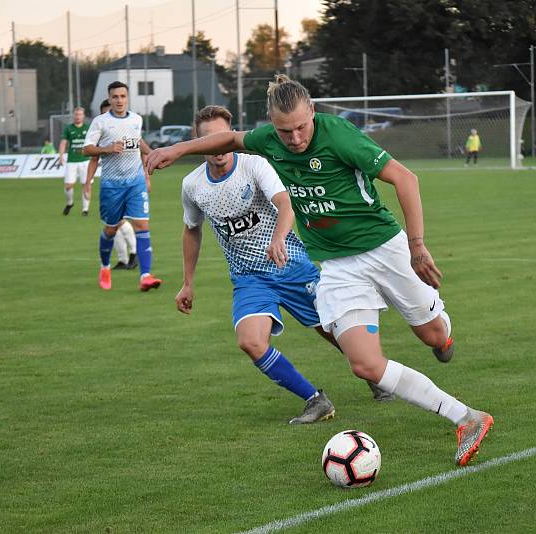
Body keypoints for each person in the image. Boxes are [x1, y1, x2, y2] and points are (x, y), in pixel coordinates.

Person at [148, 75, 493, 467]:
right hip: (338, 266)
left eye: (300, 127)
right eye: (284, 131)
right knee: (364, 364)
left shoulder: (340, 136)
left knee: (432, 335)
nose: (294, 138)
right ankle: (467, 418)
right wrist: (177, 149)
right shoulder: (268, 140)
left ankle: (440, 331)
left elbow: (404, 178)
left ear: (312, 111)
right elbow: (229, 139)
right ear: (271, 124)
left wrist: (416, 246)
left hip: (384, 249)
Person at [176, 105, 355, 424]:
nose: (217, 147)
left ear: (231, 136)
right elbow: (192, 229)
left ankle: (375, 375)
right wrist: (187, 282)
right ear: (198, 141)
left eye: (222, 138)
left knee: (337, 333)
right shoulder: (193, 185)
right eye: (208, 140)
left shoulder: (254, 164)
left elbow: (285, 203)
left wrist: (279, 238)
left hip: (292, 265)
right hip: (249, 279)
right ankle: (315, 400)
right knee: (250, 341)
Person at [83, 81, 162, 292]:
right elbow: (87, 150)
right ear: (109, 99)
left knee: (143, 226)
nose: (119, 100)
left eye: (123, 96)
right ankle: (105, 267)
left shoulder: (136, 119)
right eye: (115, 97)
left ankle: (145, 275)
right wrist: (107, 149)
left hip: (135, 182)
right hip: (112, 185)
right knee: (111, 229)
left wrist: (151, 157)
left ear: (127, 98)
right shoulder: (101, 122)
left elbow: (137, 141)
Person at [84, 99, 137, 270]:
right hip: (111, 183)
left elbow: (140, 147)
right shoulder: (101, 130)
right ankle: (123, 259)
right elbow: (93, 158)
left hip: (130, 181)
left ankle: (134, 253)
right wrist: (88, 182)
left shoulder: (130, 127)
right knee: (112, 225)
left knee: (119, 222)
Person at [58, 107, 92, 215]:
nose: (78, 116)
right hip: (72, 161)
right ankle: (70, 202)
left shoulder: (88, 128)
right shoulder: (68, 128)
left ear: (83, 116)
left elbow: (93, 142)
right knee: (68, 185)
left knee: (86, 185)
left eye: (80, 114)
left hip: (85, 161)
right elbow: (63, 143)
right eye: (76, 114)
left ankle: (85, 209)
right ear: (73, 116)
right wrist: (61, 156)